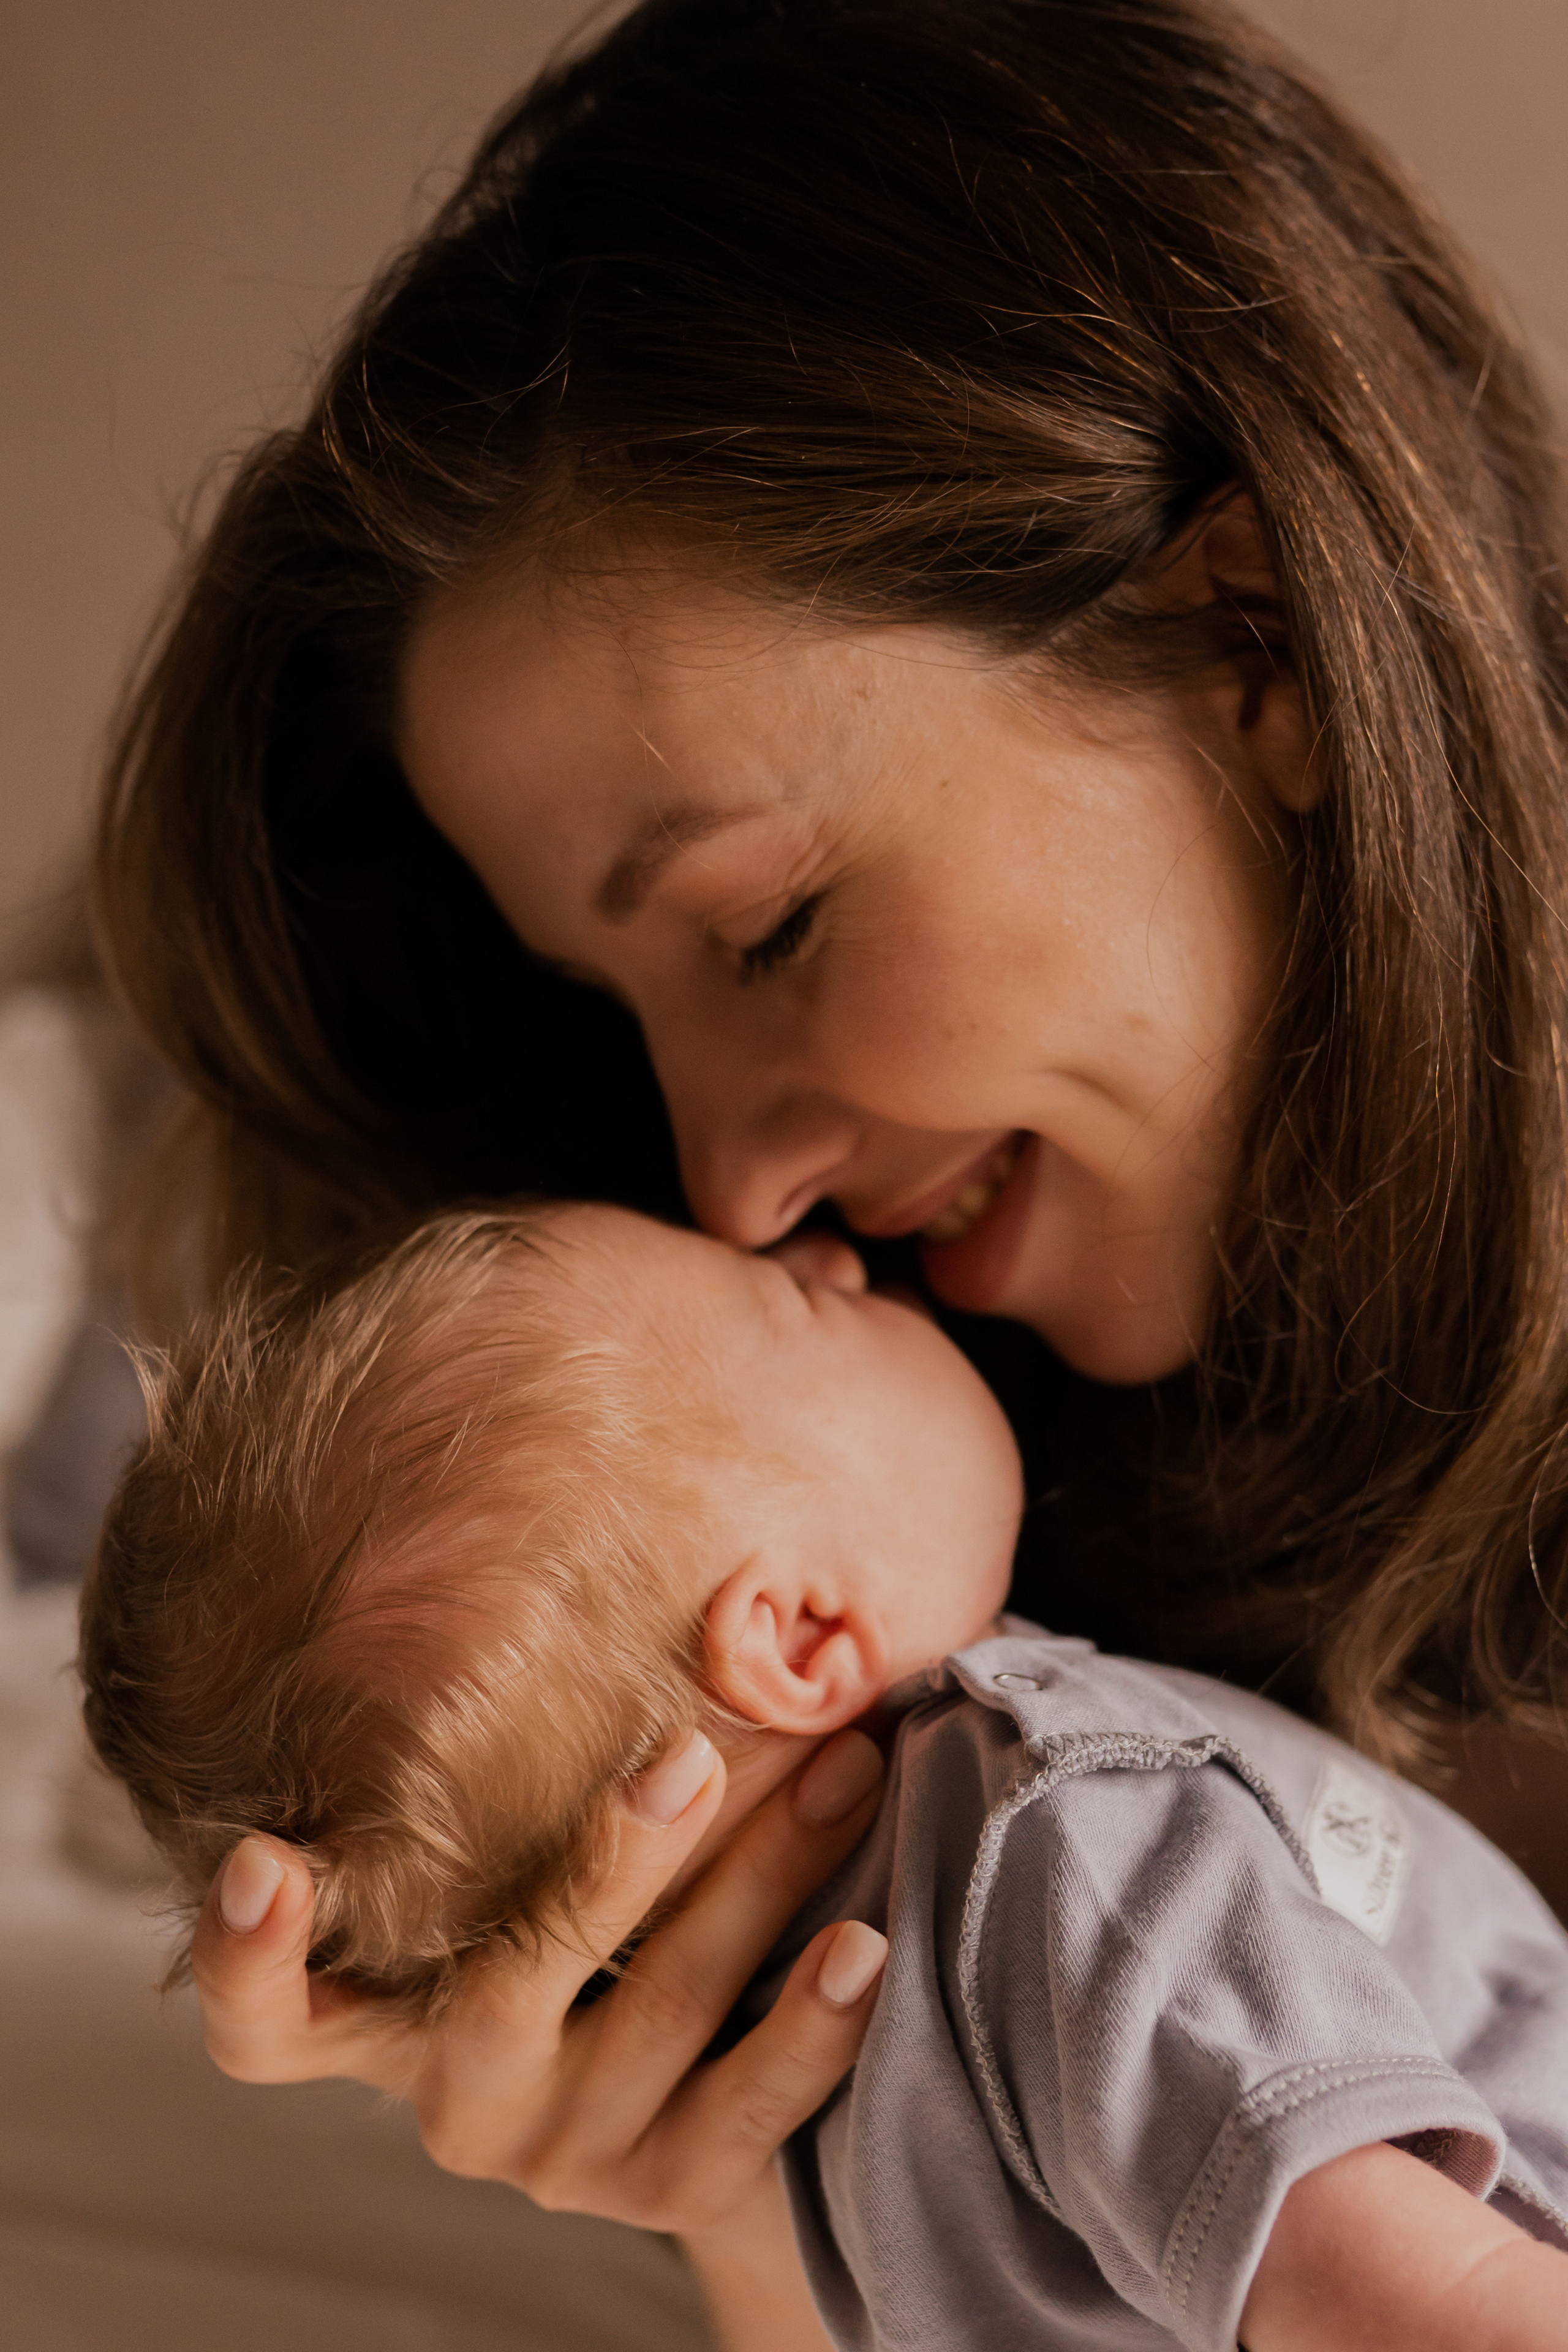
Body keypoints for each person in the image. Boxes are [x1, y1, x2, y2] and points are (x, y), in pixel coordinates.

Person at [89, 0, 1568, 2335]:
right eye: (617, 1021)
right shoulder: (903, 1641)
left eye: (769, 924)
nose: (736, 1190)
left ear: (1255, 638)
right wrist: (744, 2174)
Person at [80, 1201, 1568, 2350]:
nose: (831, 1254)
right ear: (796, 1635)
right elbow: (1424, 2300)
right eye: (792, 1303)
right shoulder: (1062, 1836)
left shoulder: (811, 2093)